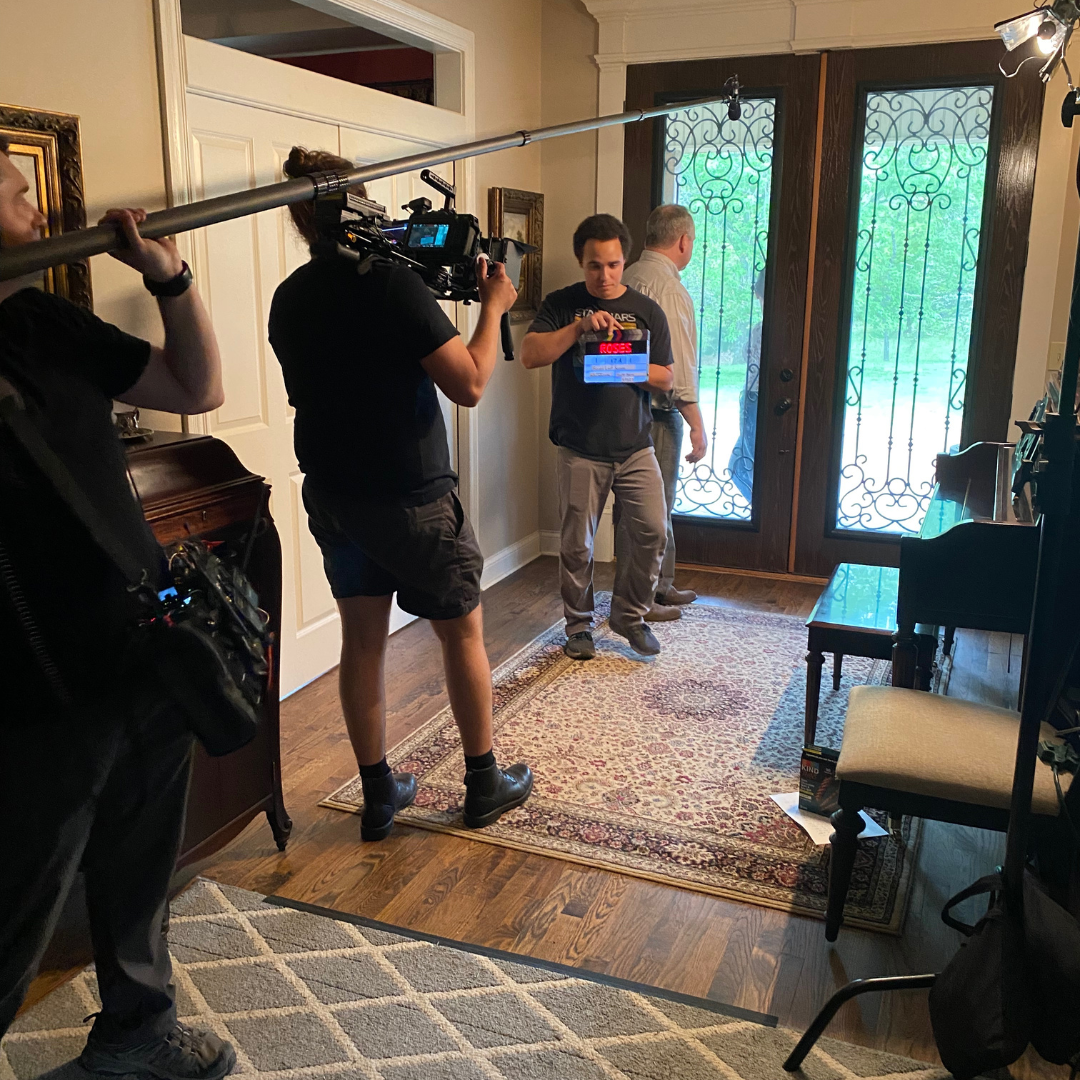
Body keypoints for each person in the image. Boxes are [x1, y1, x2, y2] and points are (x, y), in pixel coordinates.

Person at [0, 136, 236, 1078]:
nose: (27, 191)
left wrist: (169, 277)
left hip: (142, 645)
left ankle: (137, 1031)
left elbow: (197, 388)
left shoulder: (43, 323)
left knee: (141, 862)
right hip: (32, 686)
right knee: (17, 902)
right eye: (8, 184)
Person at [267, 147, 532, 843]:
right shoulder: (390, 285)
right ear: (358, 204)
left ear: (301, 220)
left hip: (333, 494)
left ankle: (379, 794)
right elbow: (470, 383)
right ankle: (483, 784)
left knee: (363, 643)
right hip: (411, 495)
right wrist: (495, 308)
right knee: (461, 632)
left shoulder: (289, 296)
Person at [520, 214, 673, 661]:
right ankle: (579, 627)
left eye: (611, 264)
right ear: (580, 262)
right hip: (580, 447)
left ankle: (629, 615)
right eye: (593, 266)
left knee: (652, 530)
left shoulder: (648, 310)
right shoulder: (561, 304)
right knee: (577, 544)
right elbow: (530, 355)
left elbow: (666, 377)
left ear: (624, 260)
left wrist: (624, 366)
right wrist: (581, 329)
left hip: (635, 447)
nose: (603, 275)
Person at [622, 204, 708, 618]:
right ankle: (645, 595)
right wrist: (696, 425)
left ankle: (660, 586)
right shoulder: (670, 289)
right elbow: (679, 368)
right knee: (653, 507)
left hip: (624, 407)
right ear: (684, 241)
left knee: (638, 504)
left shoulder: (629, 276)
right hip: (656, 411)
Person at [728, 267, 765, 505]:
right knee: (737, 466)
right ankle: (762, 511)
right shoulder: (758, 329)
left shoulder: (768, 330)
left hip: (756, 400)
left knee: (748, 464)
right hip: (749, 398)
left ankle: (764, 512)